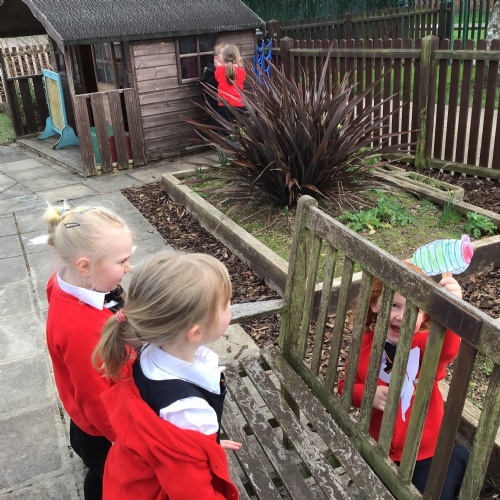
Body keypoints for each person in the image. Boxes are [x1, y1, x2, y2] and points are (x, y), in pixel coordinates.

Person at [93, 251, 241, 499]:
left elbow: (173, 445)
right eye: (226, 304)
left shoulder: (146, 351)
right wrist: (194, 447)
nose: (230, 306)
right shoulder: (188, 410)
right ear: (195, 333)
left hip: (130, 478)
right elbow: (193, 493)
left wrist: (204, 446)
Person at [338, 263, 469, 499]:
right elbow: (345, 385)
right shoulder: (365, 344)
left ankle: (457, 458)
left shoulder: (424, 344)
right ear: (375, 304)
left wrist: (454, 309)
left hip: (425, 451)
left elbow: (448, 349)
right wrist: (367, 394)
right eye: (394, 305)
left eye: (414, 308)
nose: (402, 316)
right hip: (380, 448)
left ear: (425, 315)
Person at [44, 205, 133, 500]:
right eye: (122, 261)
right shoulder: (84, 329)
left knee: (95, 461)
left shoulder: (66, 281)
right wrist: (126, 441)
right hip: (103, 431)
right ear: (85, 266)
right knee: (108, 475)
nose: (129, 267)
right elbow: (96, 400)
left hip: (82, 418)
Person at [215, 44, 247, 122]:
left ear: (224, 57)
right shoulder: (242, 72)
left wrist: (219, 66)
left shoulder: (219, 70)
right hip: (240, 106)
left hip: (224, 106)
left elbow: (220, 75)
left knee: (223, 129)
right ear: (238, 57)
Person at [201, 43, 227, 114]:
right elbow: (212, 86)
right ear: (216, 58)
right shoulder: (211, 70)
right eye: (224, 55)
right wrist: (220, 70)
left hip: (231, 103)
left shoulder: (230, 67)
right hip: (217, 105)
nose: (227, 57)